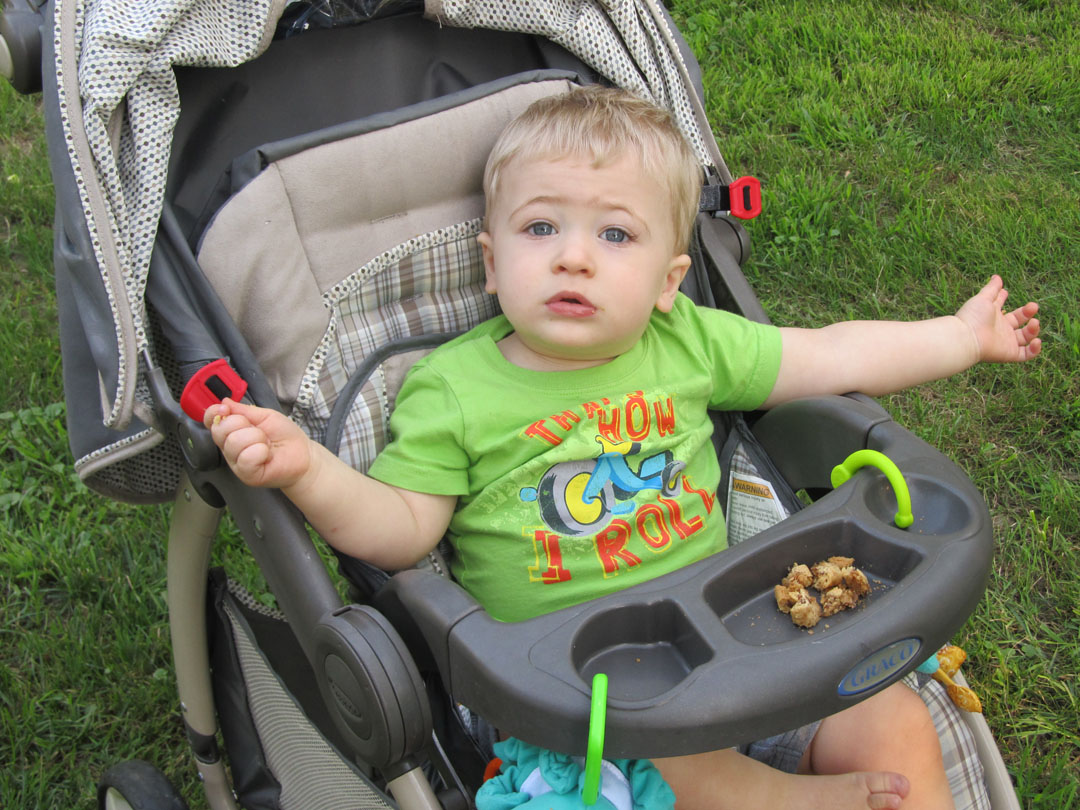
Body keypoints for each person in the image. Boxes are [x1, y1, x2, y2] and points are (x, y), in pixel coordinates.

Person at [205, 86, 1041, 810]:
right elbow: (400, 529)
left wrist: (960, 338)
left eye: (615, 236)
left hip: (743, 640)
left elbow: (833, 354)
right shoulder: (454, 389)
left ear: (669, 282)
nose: (573, 256)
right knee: (656, 760)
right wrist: (308, 470)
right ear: (492, 264)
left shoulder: (689, 342)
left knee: (891, 717)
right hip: (577, 693)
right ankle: (797, 800)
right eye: (541, 227)